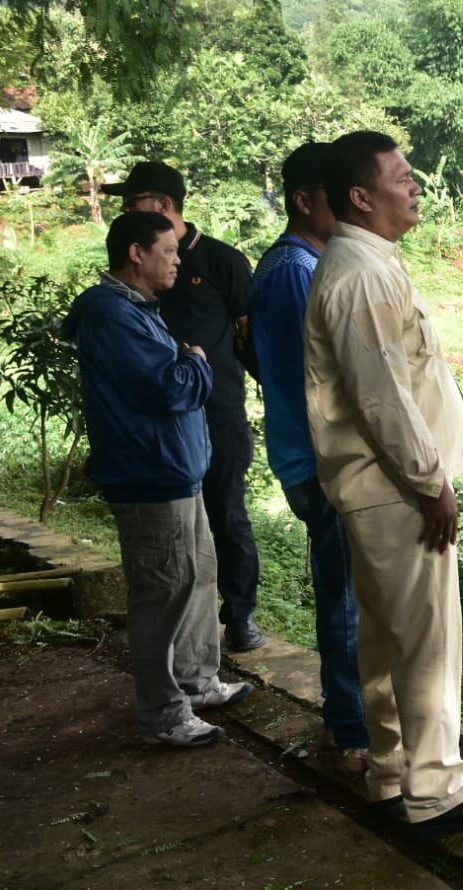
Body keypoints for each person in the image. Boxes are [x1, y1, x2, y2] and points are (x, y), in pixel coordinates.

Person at [303, 130, 463, 840]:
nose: (416, 187)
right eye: (403, 178)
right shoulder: (362, 274)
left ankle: (392, 776)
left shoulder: (366, 261)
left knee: (389, 638)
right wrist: (433, 486)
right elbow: (383, 399)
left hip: (379, 490)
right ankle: (437, 792)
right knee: (427, 643)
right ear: (362, 196)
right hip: (396, 490)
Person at [61, 211, 254, 745]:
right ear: (135, 254)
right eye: (168, 251)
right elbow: (169, 388)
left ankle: (196, 682)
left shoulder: (138, 309)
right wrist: (195, 360)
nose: (176, 259)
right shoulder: (109, 313)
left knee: (197, 578)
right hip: (149, 474)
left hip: (176, 470)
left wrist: (189, 361)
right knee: (162, 591)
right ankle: (162, 713)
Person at [103, 161, 264, 652]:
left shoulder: (221, 261)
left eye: (134, 202)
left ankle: (239, 617)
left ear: (164, 205)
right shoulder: (132, 269)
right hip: (158, 424)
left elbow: (250, 337)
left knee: (227, 517)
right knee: (176, 535)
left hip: (216, 414)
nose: (127, 210)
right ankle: (186, 641)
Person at [249, 142, 370, 763]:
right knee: (346, 592)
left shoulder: (295, 265)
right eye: (337, 196)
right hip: (324, 462)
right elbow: (324, 375)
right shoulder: (296, 271)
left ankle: (354, 719)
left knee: (348, 588)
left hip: (315, 458)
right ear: (304, 200)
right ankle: (352, 726)